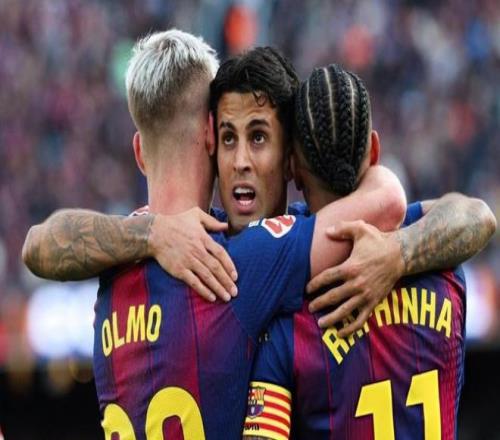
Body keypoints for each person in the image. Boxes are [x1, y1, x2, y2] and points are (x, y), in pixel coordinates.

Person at [22, 41, 495, 439]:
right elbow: (401, 203)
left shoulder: (112, 263)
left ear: (139, 152)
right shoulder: (239, 263)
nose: (242, 160)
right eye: (230, 138)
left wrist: (148, 233)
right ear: (210, 137)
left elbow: (40, 245)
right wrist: (399, 249)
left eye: (258, 138)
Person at [241, 64, 491, 440]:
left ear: (292, 166)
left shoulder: (287, 313)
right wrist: (401, 252)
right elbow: (475, 215)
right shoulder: (443, 269)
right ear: (374, 150)